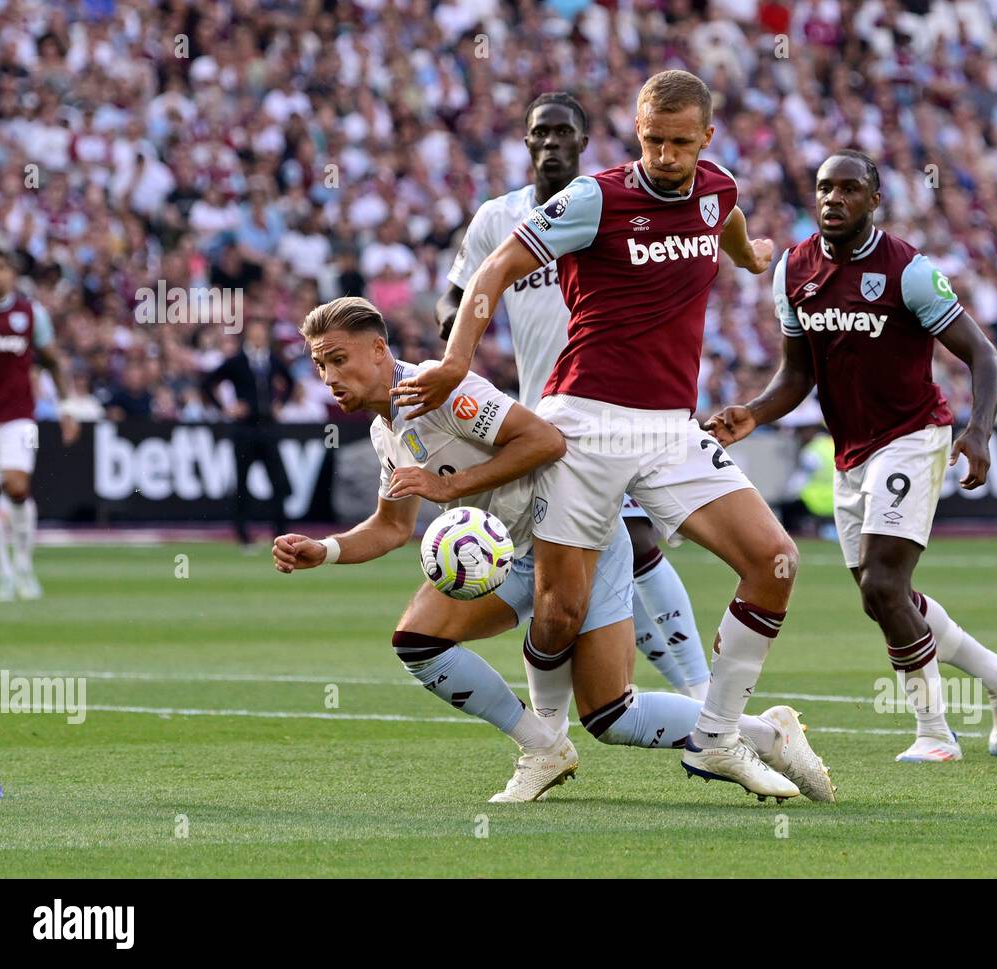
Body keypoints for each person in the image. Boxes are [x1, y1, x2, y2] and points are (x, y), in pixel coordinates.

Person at [396, 70, 808, 801]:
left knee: (775, 561)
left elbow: (730, 223)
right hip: (583, 423)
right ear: (635, 133)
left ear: (706, 138)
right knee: (558, 610)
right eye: (652, 140)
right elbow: (497, 266)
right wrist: (456, 361)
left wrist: (749, 257)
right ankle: (545, 748)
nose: (666, 156)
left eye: (681, 143)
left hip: (669, 428)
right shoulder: (597, 198)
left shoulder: (718, 189)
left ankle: (717, 737)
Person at [274, 297, 831, 802]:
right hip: (506, 557)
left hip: (574, 535)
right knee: (418, 642)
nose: (328, 377)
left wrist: (449, 488)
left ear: (378, 349)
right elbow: (392, 526)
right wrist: (324, 550)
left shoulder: (443, 391)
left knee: (611, 715)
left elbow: (545, 440)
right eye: (320, 365)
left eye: (338, 359)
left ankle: (763, 733)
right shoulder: (384, 430)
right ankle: (542, 746)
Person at [707, 150, 997, 763]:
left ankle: (936, 735)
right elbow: (796, 373)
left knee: (885, 585)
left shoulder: (907, 270)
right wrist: (753, 412)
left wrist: (980, 430)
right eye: (825, 188)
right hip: (851, 451)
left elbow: (984, 355)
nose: (834, 199)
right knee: (879, 595)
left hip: (913, 435)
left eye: (849, 189)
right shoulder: (792, 270)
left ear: (874, 200)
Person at [435, 91, 711, 706]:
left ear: (584, 143)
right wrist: (457, 345)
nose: (552, 143)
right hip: (542, 416)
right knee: (577, 573)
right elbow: (456, 295)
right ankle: (591, 712)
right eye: (541, 133)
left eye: (565, 133)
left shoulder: (606, 204)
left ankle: (698, 695)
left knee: (638, 545)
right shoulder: (495, 218)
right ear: (526, 141)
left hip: (616, 407)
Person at [0, 242, 79, 601]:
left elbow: (53, 361)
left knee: (17, 485)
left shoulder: (30, 313)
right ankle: (3, 572)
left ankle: (24, 565)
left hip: (18, 417)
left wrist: (67, 406)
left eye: (0, 267)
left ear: (11, 273)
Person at [201, 320, 293, 548]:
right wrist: (225, 408)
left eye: (262, 332)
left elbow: (290, 381)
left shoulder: (271, 360)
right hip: (244, 430)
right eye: (255, 332)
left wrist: (280, 403)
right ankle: (242, 534)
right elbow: (207, 383)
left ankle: (280, 532)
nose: (259, 336)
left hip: (268, 428)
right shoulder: (237, 362)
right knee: (242, 483)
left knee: (279, 482)